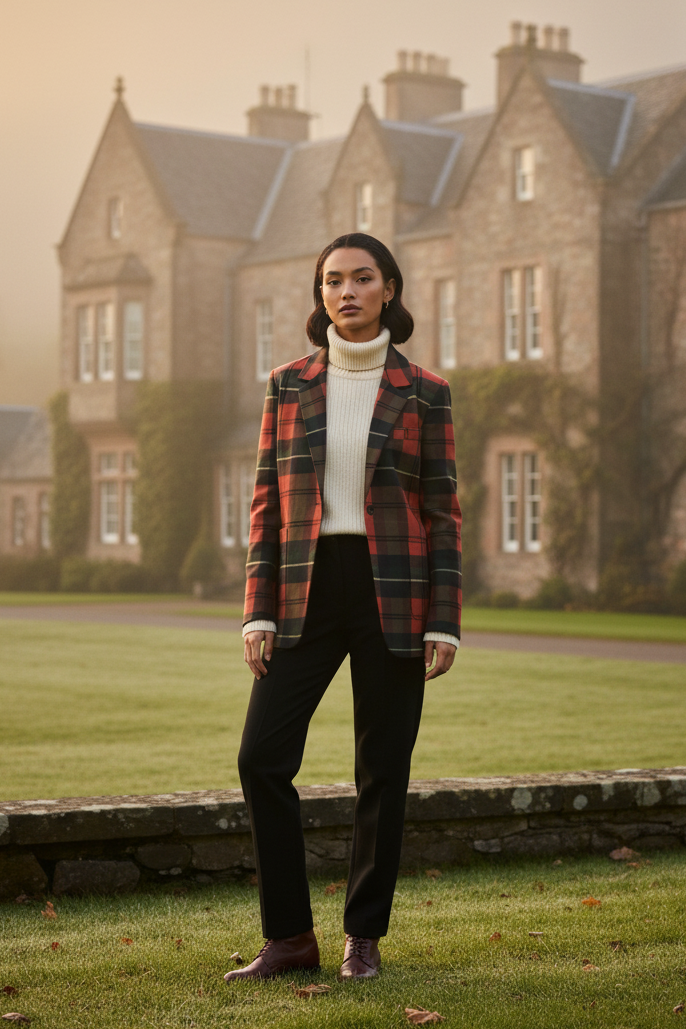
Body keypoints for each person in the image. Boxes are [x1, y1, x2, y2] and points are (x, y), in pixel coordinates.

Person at [224, 232, 461, 984]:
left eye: (362, 278)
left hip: (395, 587)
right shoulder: (287, 383)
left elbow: (444, 511)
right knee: (261, 756)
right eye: (332, 280)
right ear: (319, 293)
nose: (346, 291)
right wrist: (257, 608)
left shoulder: (426, 391)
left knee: (382, 767)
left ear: (389, 287)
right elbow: (265, 504)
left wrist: (445, 616)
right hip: (303, 586)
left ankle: (364, 936)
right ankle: (290, 936)